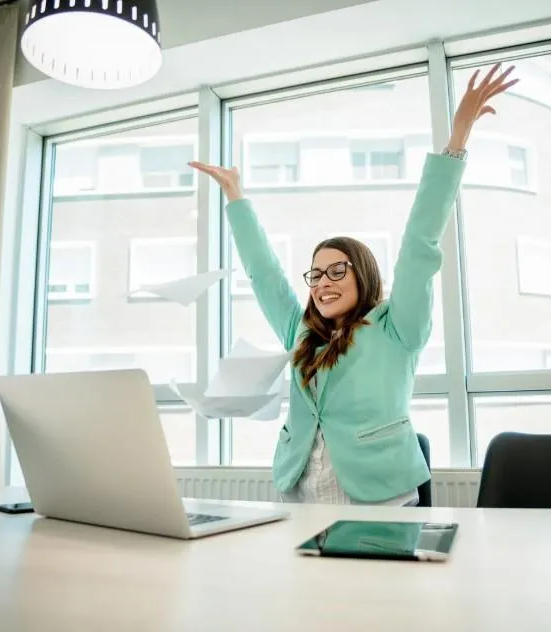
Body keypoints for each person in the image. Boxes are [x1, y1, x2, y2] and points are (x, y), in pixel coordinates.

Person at [190, 63, 518, 505]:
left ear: (363, 274)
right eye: (316, 274)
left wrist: (456, 143)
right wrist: (235, 196)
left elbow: (420, 243)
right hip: (299, 490)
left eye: (337, 270)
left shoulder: (397, 326)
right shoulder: (301, 331)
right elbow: (263, 273)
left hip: (377, 491)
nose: (323, 283)